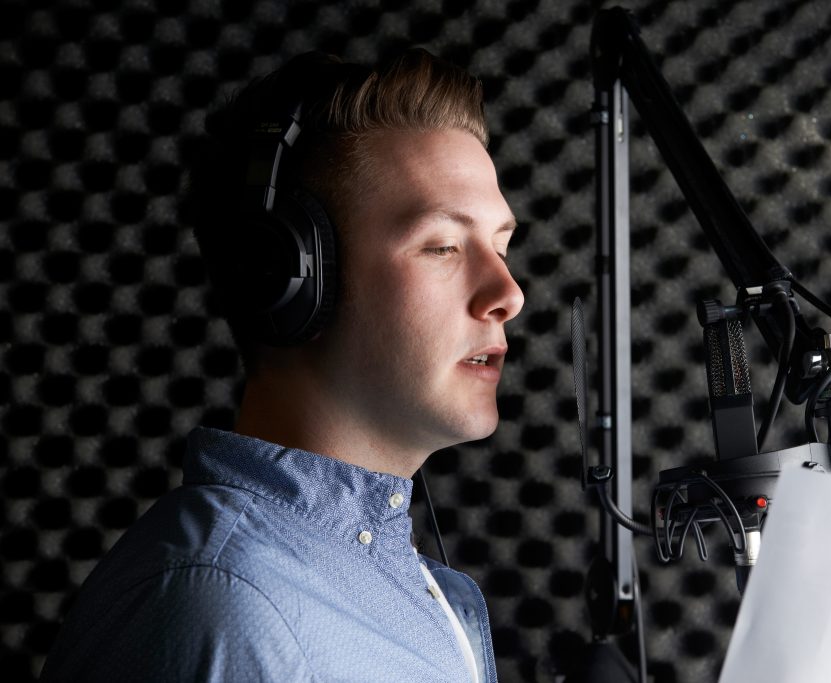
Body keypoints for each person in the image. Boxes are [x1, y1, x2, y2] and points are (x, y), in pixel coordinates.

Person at [41, 48, 523, 682]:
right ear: (291, 276)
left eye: (500, 246)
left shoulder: (366, 576)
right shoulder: (226, 608)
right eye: (442, 246)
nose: (508, 294)